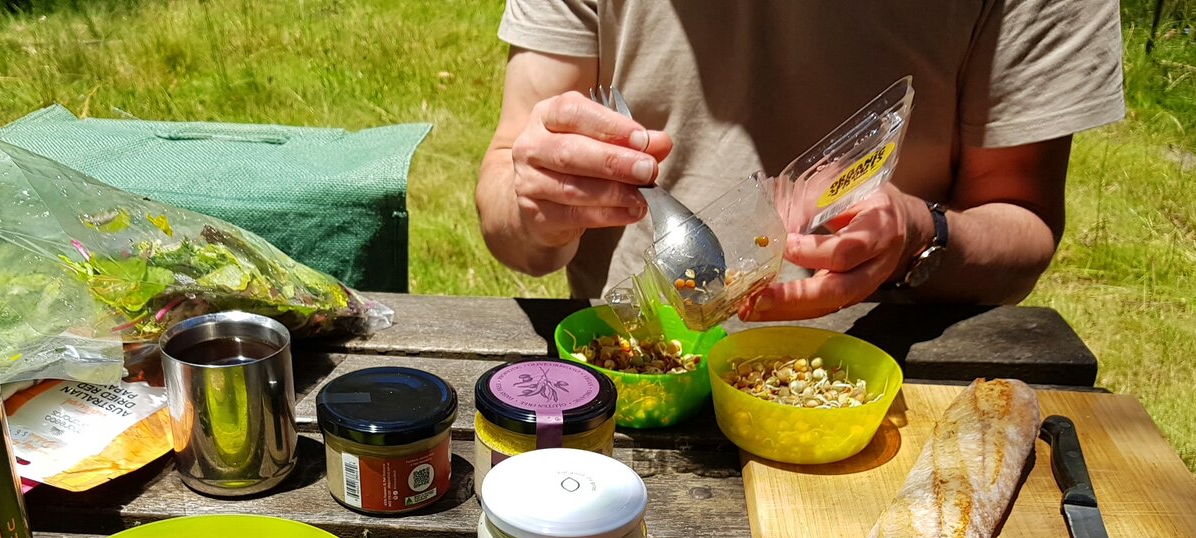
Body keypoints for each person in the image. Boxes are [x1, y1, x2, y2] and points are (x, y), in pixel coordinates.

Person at [476, 1, 1125, 321]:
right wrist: (536, 205)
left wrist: (921, 236)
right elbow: (513, 215)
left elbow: (1023, 223)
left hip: (882, 383)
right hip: (639, 368)